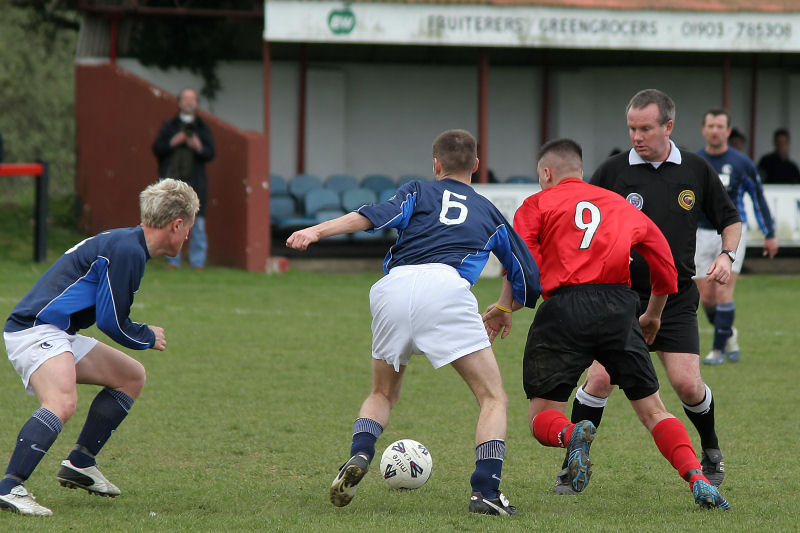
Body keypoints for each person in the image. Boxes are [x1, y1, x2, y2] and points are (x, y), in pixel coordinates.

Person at [286, 129, 541, 516]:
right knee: (492, 398)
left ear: (435, 165)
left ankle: (359, 454)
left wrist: (316, 230)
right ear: (475, 165)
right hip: (446, 288)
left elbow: (371, 215)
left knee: (383, 393)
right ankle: (485, 492)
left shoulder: (418, 190)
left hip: (393, 287)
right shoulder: (489, 212)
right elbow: (526, 276)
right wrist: (505, 308)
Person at [483, 138, 729, 510]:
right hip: (618, 307)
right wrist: (653, 314)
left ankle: (571, 434)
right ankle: (697, 476)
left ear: (546, 173)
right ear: (580, 171)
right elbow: (665, 263)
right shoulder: (617, 204)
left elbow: (522, 268)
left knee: (540, 418)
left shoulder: (536, 204)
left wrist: (506, 307)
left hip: (563, 310)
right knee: (654, 410)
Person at [564, 89, 741, 490]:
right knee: (599, 380)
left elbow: (730, 218)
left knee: (687, 384)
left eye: (645, 128)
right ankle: (572, 461)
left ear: (668, 127)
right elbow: (581, 222)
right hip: (621, 297)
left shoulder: (695, 170)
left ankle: (710, 447)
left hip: (676, 297)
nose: (637, 136)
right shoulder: (612, 172)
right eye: (632, 128)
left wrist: (727, 255)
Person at [0, 179, 199, 516]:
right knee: (61, 401)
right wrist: (147, 335)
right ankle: (9, 487)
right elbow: (112, 322)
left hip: (57, 330)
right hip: (35, 328)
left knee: (131, 376)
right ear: (176, 224)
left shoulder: (127, 243)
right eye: (189, 228)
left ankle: (80, 462)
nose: (189, 236)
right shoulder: (128, 250)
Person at [695, 109, 778, 365]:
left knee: (723, 292)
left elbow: (758, 197)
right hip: (699, 234)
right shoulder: (695, 162)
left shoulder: (742, 163)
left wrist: (770, 233)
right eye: (711, 125)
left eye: (720, 126)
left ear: (728, 131)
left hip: (731, 234)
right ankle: (728, 333)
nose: (715, 130)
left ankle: (718, 350)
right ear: (704, 130)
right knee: (705, 299)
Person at [152, 87, 215, 270]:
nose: (189, 102)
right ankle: (173, 261)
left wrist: (198, 146)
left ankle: (198, 263)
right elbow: (157, 148)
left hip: (196, 184)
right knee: (173, 223)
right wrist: (174, 141)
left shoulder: (203, 128)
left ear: (196, 103)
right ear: (179, 102)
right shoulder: (169, 126)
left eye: (192, 99)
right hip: (173, 184)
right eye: (185, 99)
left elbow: (210, 153)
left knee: (198, 225)